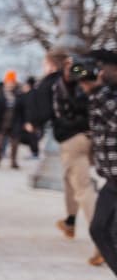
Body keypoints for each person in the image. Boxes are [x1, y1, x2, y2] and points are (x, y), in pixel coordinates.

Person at [76, 50, 117, 280]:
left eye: (100, 67)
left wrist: (98, 90)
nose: (96, 72)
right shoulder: (103, 94)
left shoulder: (107, 96)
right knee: (100, 230)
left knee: (107, 231)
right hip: (112, 179)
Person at [52, 54, 101, 265]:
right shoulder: (95, 85)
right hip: (91, 136)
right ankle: (70, 221)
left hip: (74, 139)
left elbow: (72, 82)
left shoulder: (71, 84)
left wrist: (74, 70)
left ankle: (102, 242)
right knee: (69, 179)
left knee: (83, 188)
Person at [0, 70, 23, 169]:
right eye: (9, 82)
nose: (10, 84)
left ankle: (13, 162)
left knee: (15, 144)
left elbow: (23, 107)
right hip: (3, 122)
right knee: (0, 143)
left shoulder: (18, 93)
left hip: (15, 121)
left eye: (12, 82)